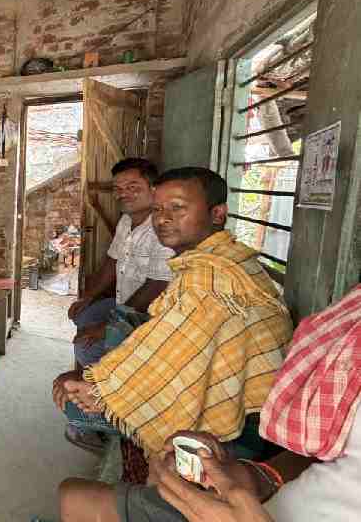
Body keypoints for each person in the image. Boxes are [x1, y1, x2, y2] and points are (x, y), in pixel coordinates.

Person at [58, 282, 361, 522]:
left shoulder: (217, 286)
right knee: (70, 497)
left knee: (85, 401)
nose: (163, 218)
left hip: (242, 504)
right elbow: (333, 453)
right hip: (260, 499)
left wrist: (109, 386)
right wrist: (259, 476)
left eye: (177, 207)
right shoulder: (353, 327)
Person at [54, 167, 293, 462]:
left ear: (217, 214)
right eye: (158, 208)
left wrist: (99, 386)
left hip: (242, 425)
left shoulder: (208, 281)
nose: (163, 218)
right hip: (253, 404)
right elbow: (171, 333)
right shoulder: (222, 258)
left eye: (177, 208)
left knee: (75, 400)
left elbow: (171, 343)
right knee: (106, 335)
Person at [56, 158, 175, 451]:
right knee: (85, 316)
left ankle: (101, 415)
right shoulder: (126, 221)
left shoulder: (163, 227)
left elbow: (158, 284)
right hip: (124, 304)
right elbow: (112, 262)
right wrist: (87, 297)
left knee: (87, 345)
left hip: (148, 319)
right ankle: (88, 383)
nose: (123, 193)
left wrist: (109, 326)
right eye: (118, 188)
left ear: (153, 188)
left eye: (133, 186)